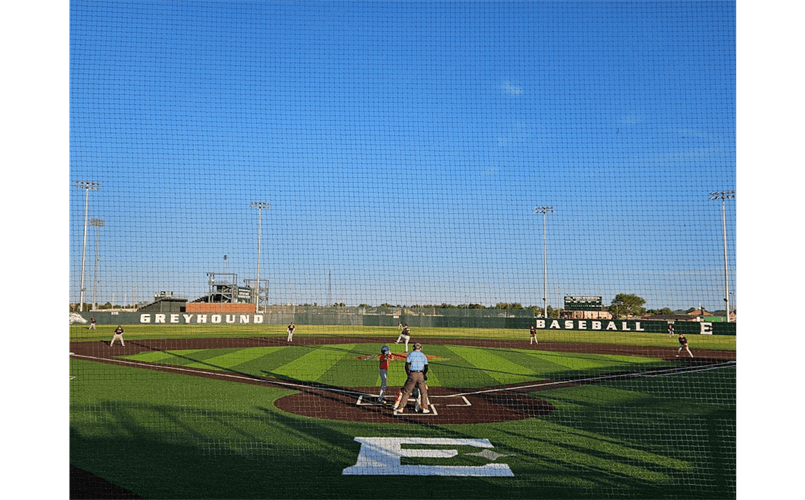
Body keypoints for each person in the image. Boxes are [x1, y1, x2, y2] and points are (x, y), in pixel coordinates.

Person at [392, 343, 429, 414]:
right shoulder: (423, 355)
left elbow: (406, 365)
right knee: (423, 392)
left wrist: (408, 374)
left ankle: (401, 408)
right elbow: (426, 367)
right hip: (420, 374)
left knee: (406, 392)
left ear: (413, 348)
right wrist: (423, 374)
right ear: (420, 348)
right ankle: (425, 408)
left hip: (412, 374)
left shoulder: (411, 354)